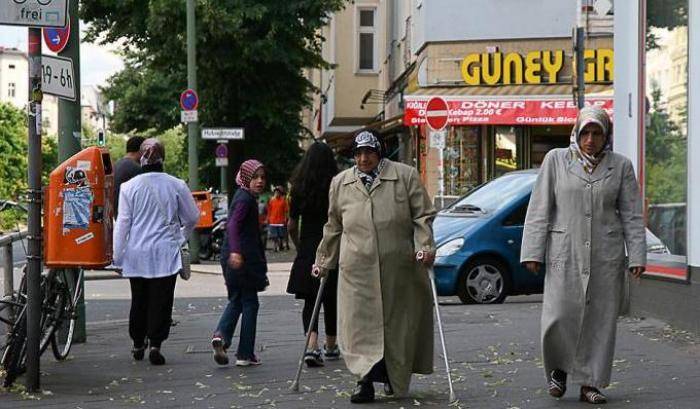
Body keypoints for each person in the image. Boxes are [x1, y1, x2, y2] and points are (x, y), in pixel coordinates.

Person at [520, 106, 646, 404]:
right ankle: (558, 371)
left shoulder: (621, 166)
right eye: (585, 132)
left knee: (599, 320)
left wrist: (637, 255)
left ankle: (590, 383)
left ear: (606, 136)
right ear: (575, 134)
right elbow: (539, 208)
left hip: (606, 254)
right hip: (565, 251)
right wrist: (532, 251)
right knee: (559, 316)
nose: (590, 139)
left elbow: (631, 215)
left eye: (597, 133)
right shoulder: (556, 161)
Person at [312, 130, 436, 404]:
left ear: (379, 151)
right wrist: (323, 261)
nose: (363, 158)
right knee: (359, 327)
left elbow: (422, 216)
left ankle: (394, 377)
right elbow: (333, 226)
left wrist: (424, 247)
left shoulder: (405, 176)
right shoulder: (341, 183)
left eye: (369, 152)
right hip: (356, 269)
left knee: (397, 325)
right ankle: (363, 381)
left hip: (397, 267)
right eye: (358, 153)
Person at [113, 138, 200, 366]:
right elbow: (192, 217)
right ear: (163, 157)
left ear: (141, 157)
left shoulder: (128, 188)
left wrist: (117, 256)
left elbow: (123, 223)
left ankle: (137, 342)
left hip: (137, 253)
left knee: (139, 299)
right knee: (161, 300)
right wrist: (180, 235)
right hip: (165, 253)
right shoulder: (176, 184)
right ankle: (156, 344)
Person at [286, 142, 340, 367]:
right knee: (331, 298)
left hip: (309, 248)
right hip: (333, 245)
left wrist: (300, 247)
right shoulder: (336, 186)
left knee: (310, 300)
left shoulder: (299, 187)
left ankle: (312, 347)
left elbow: (291, 225)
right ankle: (330, 345)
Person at [211, 159, 269, 367]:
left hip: (232, 258)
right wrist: (236, 251)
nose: (260, 181)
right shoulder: (245, 199)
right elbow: (233, 224)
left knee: (236, 299)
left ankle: (221, 336)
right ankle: (245, 353)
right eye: (255, 177)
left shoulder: (242, 195)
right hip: (243, 259)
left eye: (262, 177)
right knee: (250, 303)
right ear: (246, 178)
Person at [113, 135, 145, 217]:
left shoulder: (116, 165)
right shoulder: (137, 169)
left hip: (117, 214)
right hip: (131, 216)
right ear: (141, 150)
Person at [266, 186, 289, 252]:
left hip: (281, 221)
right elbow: (269, 210)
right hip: (273, 221)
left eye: (278, 192)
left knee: (281, 235)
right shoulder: (271, 201)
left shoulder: (283, 201)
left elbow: (286, 210)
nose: (277, 193)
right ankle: (275, 247)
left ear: (280, 193)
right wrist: (268, 218)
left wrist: (285, 218)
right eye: (275, 192)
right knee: (274, 236)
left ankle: (280, 245)